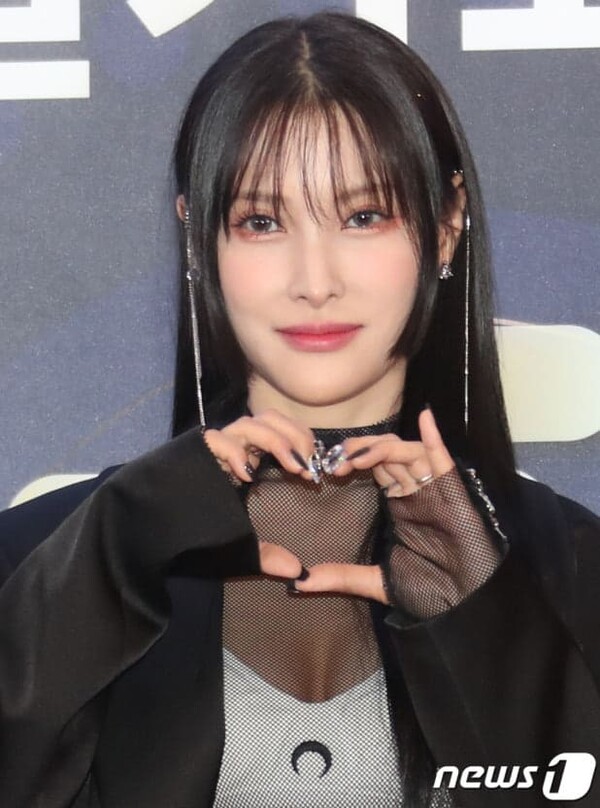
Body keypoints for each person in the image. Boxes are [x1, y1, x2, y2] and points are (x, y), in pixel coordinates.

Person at [0, 10, 599, 808]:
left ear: (447, 225)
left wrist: (494, 640)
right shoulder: (40, 559)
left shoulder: (572, 570)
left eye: (363, 216)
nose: (314, 280)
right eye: (261, 221)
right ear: (197, 237)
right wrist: (102, 572)